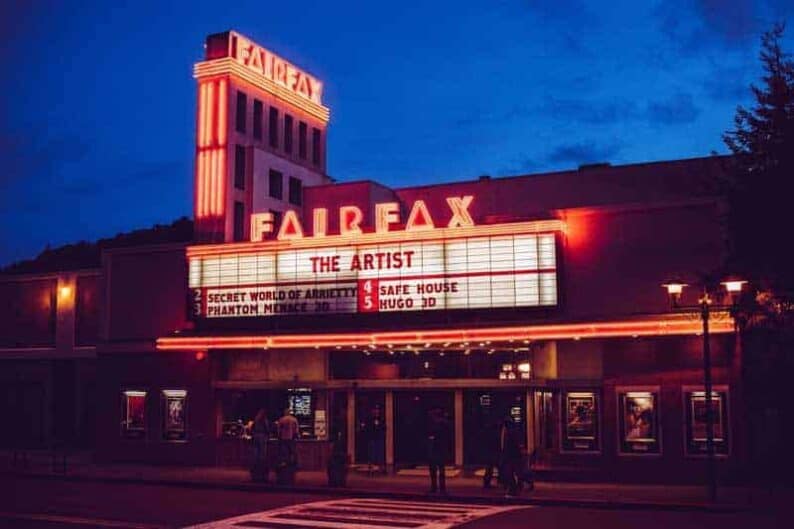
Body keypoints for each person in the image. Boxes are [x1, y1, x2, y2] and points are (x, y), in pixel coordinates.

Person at [427, 407, 449, 494]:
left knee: (433, 470)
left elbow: (430, 436)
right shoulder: (445, 424)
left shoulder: (434, 425)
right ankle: (442, 488)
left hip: (434, 449)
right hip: (441, 449)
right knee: (441, 469)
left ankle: (434, 487)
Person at [499, 416, 522, 497]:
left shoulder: (510, 432)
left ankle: (513, 489)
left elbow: (511, 445)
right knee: (510, 472)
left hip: (510, 455)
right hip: (509, 455)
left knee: (509, 472)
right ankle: (513, 488)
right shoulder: (508, 431)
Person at [249, 409, 271, 482]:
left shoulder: (256, 419)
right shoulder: (264, 419)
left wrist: (253, 434)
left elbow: (251, 428)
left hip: (255, 436)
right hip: (262, 436)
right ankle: (261, 466)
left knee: (255, 452)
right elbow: (267, 429)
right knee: (262, 452)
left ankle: (255, 465)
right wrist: (268, 435)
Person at [482, 414, 501, 489]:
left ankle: (487, 482)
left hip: (490, 452)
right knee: (492, 467)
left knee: (490, 468)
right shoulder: (495, 432)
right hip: (493, 452)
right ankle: (489, 482)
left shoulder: (489, 431)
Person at [366, 405, 386, 474]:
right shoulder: (369, 419)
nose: (376, 411)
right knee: (371, 454)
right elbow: (367, 428)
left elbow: (384, 428)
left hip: (379, 438)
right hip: (372, 438)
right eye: (375, 410)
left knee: (380, 453)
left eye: (377, 410)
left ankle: (381, 468)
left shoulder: (382, 419)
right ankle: (371, 468)